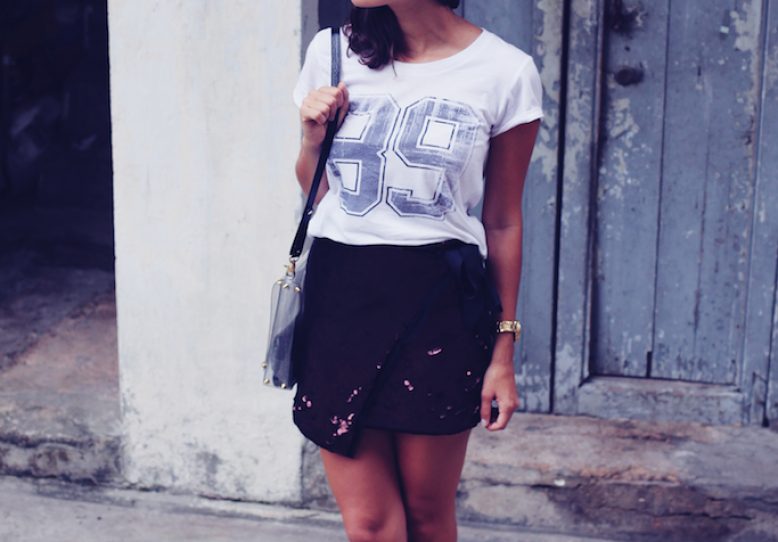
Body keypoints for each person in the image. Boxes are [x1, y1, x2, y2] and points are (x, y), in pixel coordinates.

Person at [290, 1, 543, 540]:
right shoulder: (332, 52)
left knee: (427, 515)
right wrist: (312, 139)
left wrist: (503, 351)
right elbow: (320, 191)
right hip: (341, 300)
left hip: (440, 308)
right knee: (369, 524)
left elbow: (502, 221)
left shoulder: (505, 72)